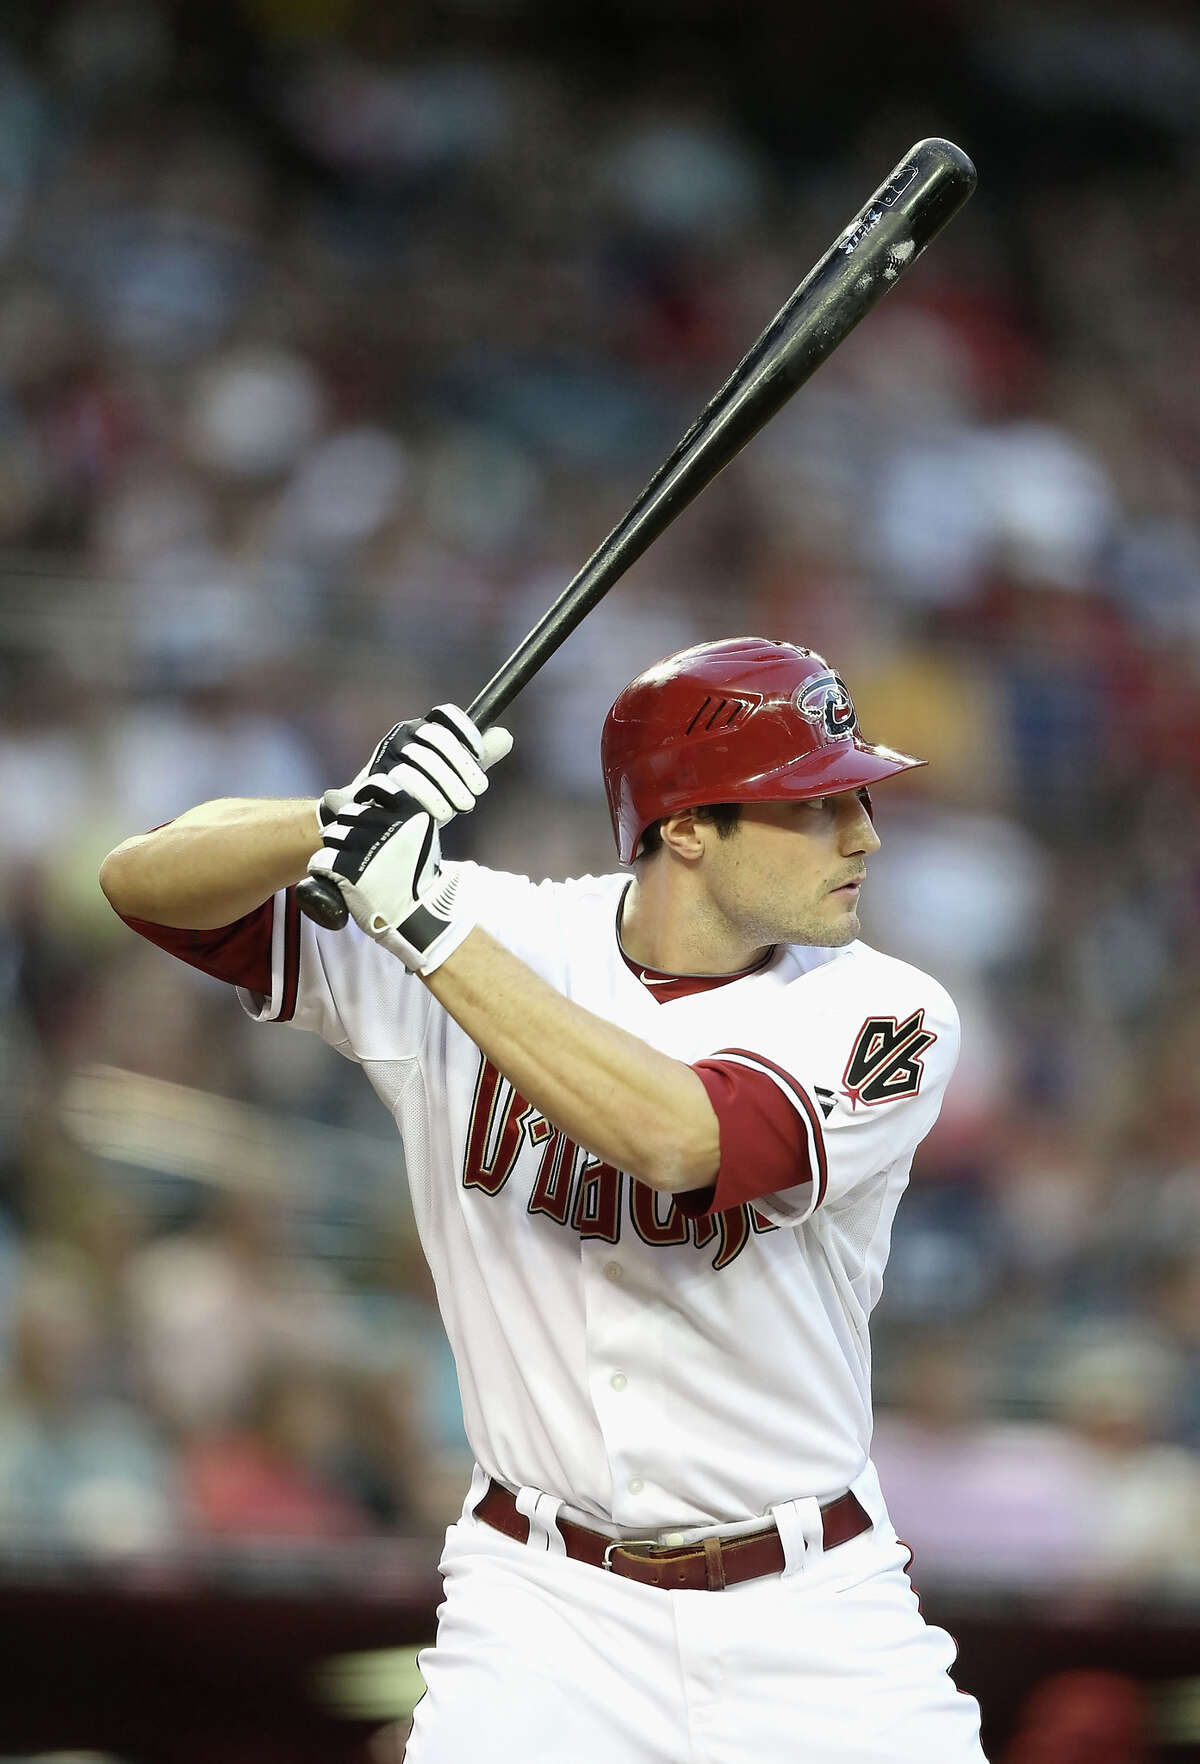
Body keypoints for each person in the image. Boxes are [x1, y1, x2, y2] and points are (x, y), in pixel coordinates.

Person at [100, 636, 986, 1763]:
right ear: (686, 829)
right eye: (812, 805)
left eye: (854, 797)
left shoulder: (890, 1012)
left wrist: (421, 926)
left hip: (814, 1610)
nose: (863, 834)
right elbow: (143, 882)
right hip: (541, 1605)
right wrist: (335, 821)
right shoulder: (497, 923)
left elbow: (681, 1140)